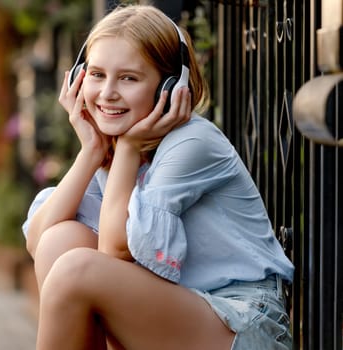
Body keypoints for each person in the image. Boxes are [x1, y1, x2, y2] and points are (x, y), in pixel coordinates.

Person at [22, 4, 294, 350]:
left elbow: (114, 252)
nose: (107, 93)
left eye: (128, 78)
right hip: (178, 311)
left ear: (171, 85)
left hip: (241, 322)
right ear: (77, 77)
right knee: (60, 242)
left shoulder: (193, 142)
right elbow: (39, 242)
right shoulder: (111, 146)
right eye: (97, 75)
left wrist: (130, 147)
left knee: (75, 270)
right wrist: (91, 152)